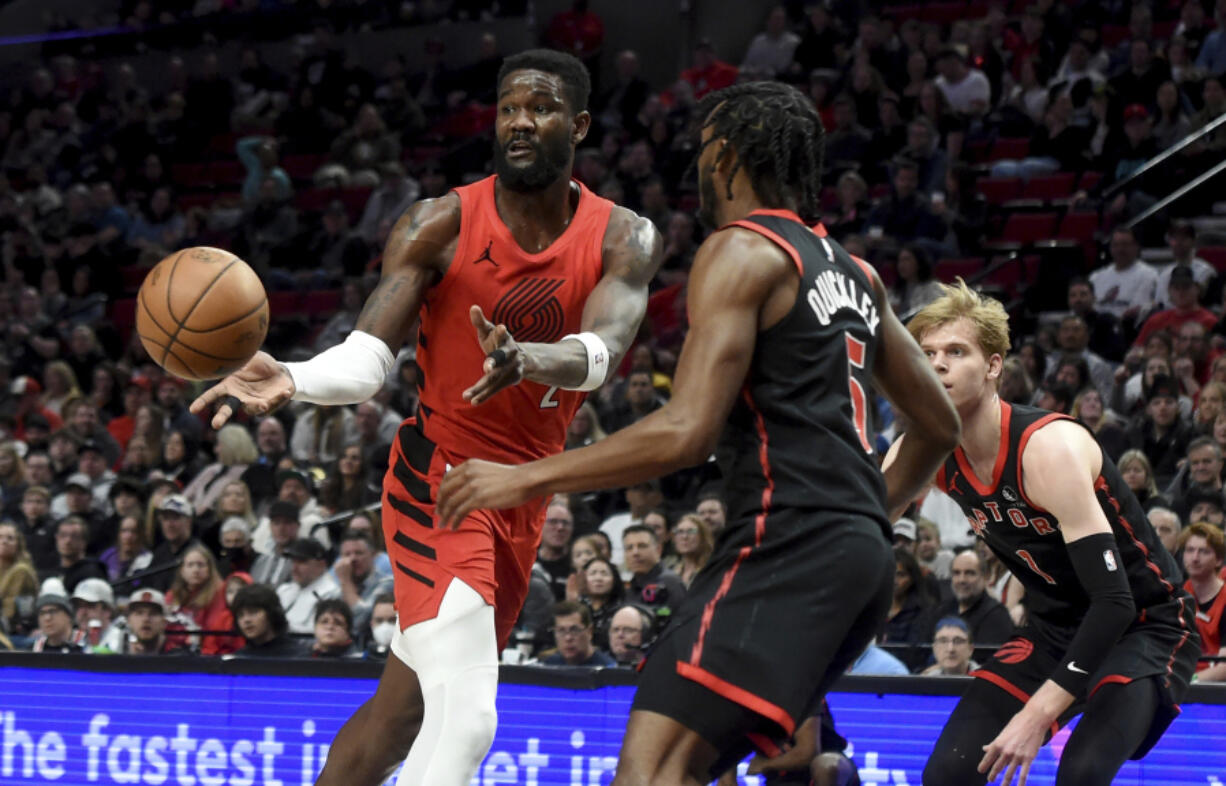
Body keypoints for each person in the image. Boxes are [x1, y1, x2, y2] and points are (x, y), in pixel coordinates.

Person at [437, 80, 959, 783]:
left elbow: (686, 431)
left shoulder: (740, 250)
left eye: (705, 148)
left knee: (651, 774)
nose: (699, 167)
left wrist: (523, 477)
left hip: (788, 542)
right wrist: (868, 518)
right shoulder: (857, 272)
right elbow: (939, 424)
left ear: (730, 156)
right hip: (858, 563)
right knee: (765, 764)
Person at [192, 49, 661, 786]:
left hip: (520, 494)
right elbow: (369, 358)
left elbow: (603, 350)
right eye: (508, 108)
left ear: (578, 125)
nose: (519, 122)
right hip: (436, 481)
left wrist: (534, 359)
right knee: (469, 718)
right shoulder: (438, 221)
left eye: (538, 109)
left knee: (399, 715)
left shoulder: (622, 235)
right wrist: (293, 375)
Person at [903, 281, 1199, 786]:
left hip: (1145, 621)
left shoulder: (1048, 448)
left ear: (994, 366)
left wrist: (1038, 714)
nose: (938, 364)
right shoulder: (925, 448)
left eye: (956, 351)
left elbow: (1114, 600)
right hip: (1053, 626)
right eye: (926, 353)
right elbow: (857, 525)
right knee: (946, 776)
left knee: (1079, 774)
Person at [165, 544, 238, 655]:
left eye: (200, 565)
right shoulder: (172, 595)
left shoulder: (220, 593)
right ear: (182, 570)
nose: (195, 570)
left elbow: (214, 628)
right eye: (190, 565)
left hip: (207, 654)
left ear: (210, 569)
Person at [1179, 523, 1226, 682]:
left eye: (1204, 552)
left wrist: (1190, 681)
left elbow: (1224, 668)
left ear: (1219, 560)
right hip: (1183, 678)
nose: (1195, 558)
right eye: (1190, 550)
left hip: (1215, 690)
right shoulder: (1178, 595)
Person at [276, 537, 341, 635]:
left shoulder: (332, 593)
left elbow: (322, 631)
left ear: (321, 564)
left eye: (301, 562)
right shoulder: (284, 590)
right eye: (293, 561)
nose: (294, 568)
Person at [231, 584, 303, 658]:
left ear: (272, 613)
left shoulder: (297, 655)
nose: (246, 620)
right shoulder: (238, 659)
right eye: (240, 615)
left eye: (253, 612)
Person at [540, 600, 615, 666]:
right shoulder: (549, 666)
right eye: (561, 630)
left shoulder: (607, 670)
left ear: (589, 631)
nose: (568, 637)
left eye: (574, 630)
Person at [123, 587, 194, 655]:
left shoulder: (180, 658)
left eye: (153, 613)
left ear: (164, 622)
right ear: (129, 620)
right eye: (139, 613)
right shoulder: (119, 653)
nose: (146, 619)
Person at [0, 521, 37, 633]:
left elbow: (10, 610)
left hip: (12, 628)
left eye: (10, 538)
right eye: (0, 537)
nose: (4, 541)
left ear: (18, 545)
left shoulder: (22, 570)